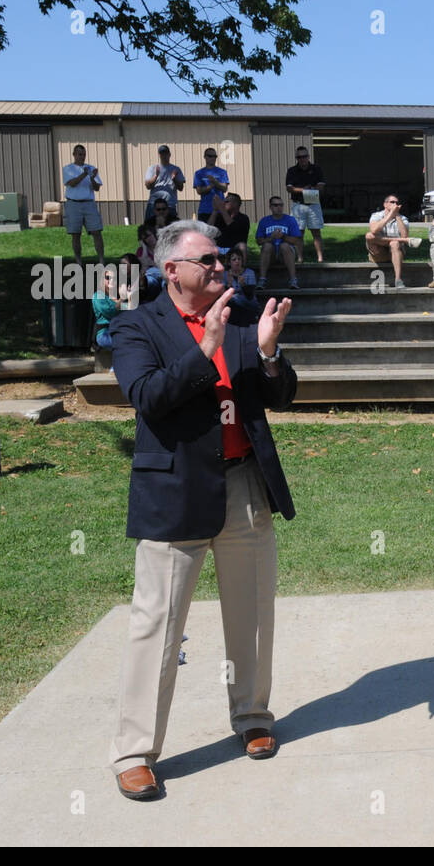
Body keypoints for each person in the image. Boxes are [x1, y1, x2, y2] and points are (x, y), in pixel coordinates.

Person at [107, 219, 296, 801]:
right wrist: (206, 347)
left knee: (253, 614)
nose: (222, 267)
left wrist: (266, 353)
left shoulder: (244, 316)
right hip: (175, 495)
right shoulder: (136, 326)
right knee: (156, 627)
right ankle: (134, 752)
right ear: (172, 271)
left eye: (223, 258)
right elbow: (148, 398)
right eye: (209, 261)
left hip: (244, 489)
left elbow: (281, 394)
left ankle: (253, 717)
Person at [62, 144, 104, 266]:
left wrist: (92, 177)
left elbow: (96, 188)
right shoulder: (68, 169)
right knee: (76, 234)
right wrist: (84, 174)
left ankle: (101, 260)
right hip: (73, 204)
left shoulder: (91, 168)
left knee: (97, 232)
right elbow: (72, 183)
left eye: (84, 154)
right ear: (74, 155)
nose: (82, 157)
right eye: (79, 154)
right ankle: (78, 262)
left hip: (89, 203)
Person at [285, 145, 326, 263]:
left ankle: (320, 258)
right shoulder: (292, 171)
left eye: (304, 156)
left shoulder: (316, 169)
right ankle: (299, 258)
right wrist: (305, 190)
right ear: (296, 158)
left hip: (314, 204)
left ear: (308, 157)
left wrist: (310, 189)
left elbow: (321, 186)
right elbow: (289, 188)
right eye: (299, 157)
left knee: (316, 232)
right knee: (298, 234)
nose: (302, 159)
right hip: (298, 205)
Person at [366, 194, 412, 289]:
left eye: (397, 202)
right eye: (392, 202)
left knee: (394, 243)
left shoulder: (403, 218)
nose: (395, 204)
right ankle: (395, 241)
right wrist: (390, 215)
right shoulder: (376, 216)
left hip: (395, 252)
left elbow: (405, 236)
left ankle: (398, 280)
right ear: (385, 204)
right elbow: (374, 230)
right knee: (369, 236)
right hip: (378, 253)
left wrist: (397, 215)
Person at [255, 195, 301, 290]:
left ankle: (293, 280)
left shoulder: (290, 220)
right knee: (267, 245)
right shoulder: (264, 221)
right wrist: (271, 238)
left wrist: (283, 236)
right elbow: (259, 241)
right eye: (275, 205)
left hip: (286, 254)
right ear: (270, 207)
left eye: (281, 205)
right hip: (270, 254)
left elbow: (296, 240)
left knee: (284, 245)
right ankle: (262, 280)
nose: (279, 207)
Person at [144, 144, 186, 220]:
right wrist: (156, 176)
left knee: (170, 230)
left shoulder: (176, 169)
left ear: (169, 154)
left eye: (166, 153)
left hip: (169, 205)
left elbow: (181, 188)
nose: (164, 155)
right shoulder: (152, 168)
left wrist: (174, 179)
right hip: (154, 205)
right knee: (150, 229)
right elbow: (147, 186)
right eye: (162, 153)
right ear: (159, 155)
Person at [223, 245, 260, 324]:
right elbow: (223, 295)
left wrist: (243, 285)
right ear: (229, 262)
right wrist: (229, 285)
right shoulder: (225, 274)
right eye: (234, 259)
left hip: (248, 303)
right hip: (232, 304)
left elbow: (250, 296)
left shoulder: (249, 272)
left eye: (239, 259)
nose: (237, 261)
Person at [193, 147, 230, 222]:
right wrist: (210, 187)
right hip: (205, 210)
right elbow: (199, 191)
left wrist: (215, 182)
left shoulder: (222, 172)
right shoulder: (199, 173)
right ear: (205, 157)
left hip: (220, 210)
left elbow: (224, 188)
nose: (213, 158)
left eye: (215, 156)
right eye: (210, 156)